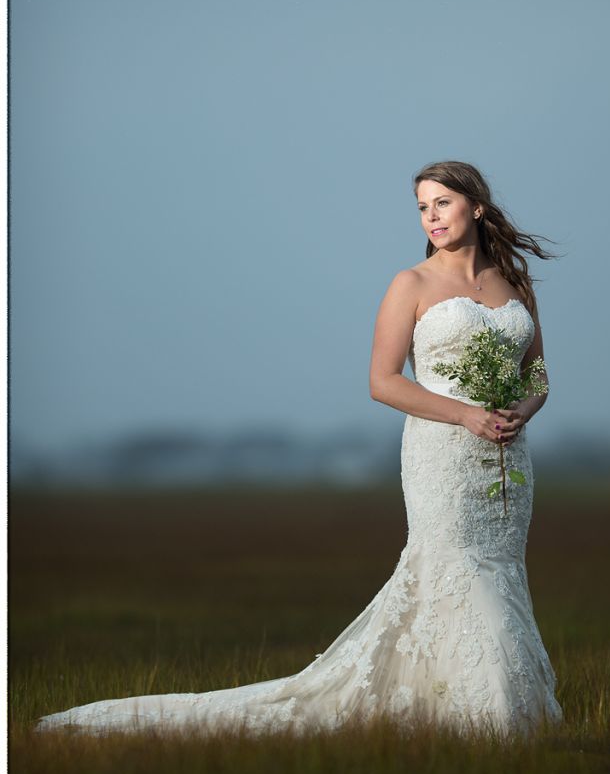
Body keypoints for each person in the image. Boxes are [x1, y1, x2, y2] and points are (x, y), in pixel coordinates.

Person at [33, 159, 564, 739]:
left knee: (501, 570)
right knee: (456, 566)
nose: (431, 217)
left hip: (509, 460)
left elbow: (537, 376)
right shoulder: (410, 284)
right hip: (444, 455)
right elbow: (383, 381)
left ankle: (455, 707)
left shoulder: (512, 282)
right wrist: (465, 414)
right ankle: (490, 719)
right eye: (422, 206)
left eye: (442, 203)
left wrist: (522, 411)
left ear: (476, 207)